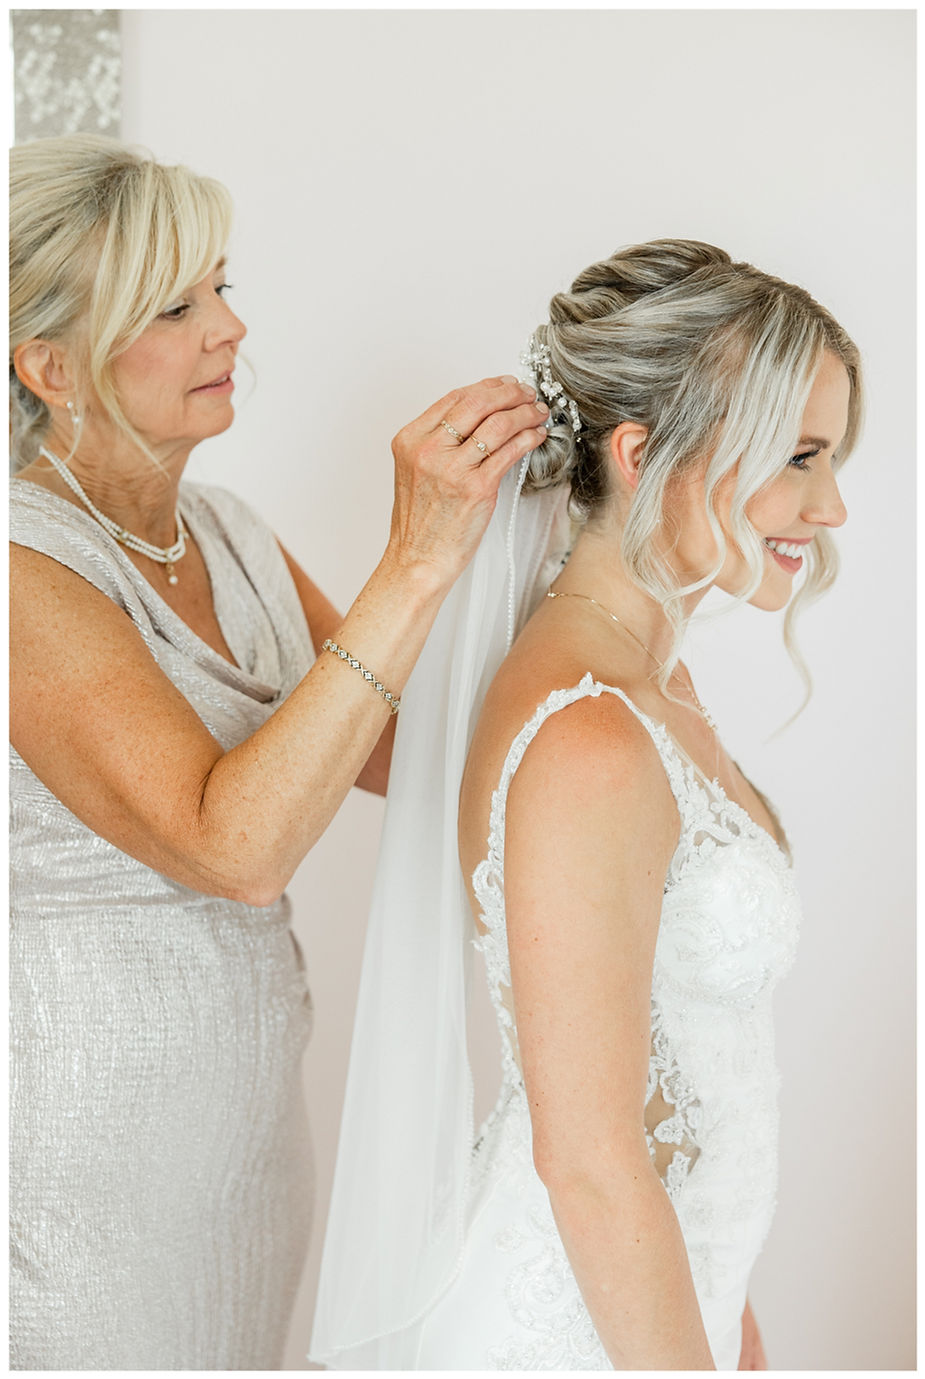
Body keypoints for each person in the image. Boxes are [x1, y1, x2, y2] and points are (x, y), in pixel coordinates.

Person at [8, 133, 549, 1371]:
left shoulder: (229, 531)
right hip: (69, 1166)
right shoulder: (22, 569)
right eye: (174, 307)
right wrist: (415, 560)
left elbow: (393, 752)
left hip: (242, 1148)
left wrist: (561, 559)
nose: (229, 329)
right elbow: (236, 848)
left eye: (221, 287)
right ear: (50, 366)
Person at [309, 240, 862, 1369]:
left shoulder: (653, 684)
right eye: (797, 456)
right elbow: (593, 1160)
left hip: (669, 1304)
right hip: (567, 1327)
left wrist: (734, 1324)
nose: (831, 504)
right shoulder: (590, 737)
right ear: (642, 452)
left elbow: (686, 1089)